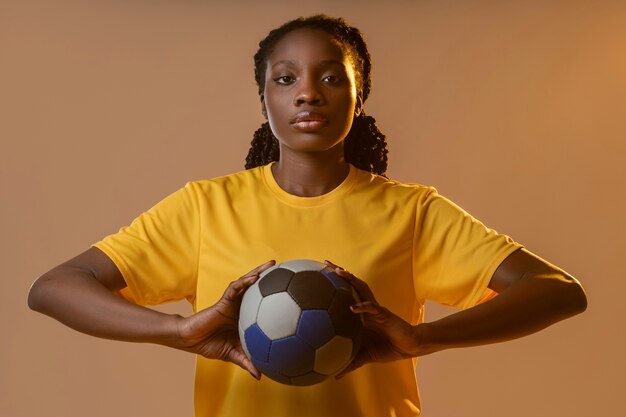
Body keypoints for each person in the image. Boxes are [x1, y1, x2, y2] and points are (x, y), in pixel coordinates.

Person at [28, 15, 587, 417]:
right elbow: (55, 288)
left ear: (358, 96)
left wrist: (421, 338)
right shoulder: (205, 206)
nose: (308, 95)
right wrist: (179, 331)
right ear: (263, 100)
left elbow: (558, 290)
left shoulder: (411, 210)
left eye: (331, 77)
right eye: (286, 78)